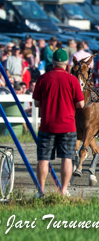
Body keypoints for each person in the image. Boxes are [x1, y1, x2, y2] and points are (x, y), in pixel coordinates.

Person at [32, 49, 84, 196]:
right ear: (66, 63)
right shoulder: (72, 80)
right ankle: (63, 190)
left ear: (53, 62)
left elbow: (36, 103)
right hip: (67, 125)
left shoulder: (43, 79)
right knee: (67, 158)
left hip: (47, 125)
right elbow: (80, 104)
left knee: (43, 159)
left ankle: (40, 191)